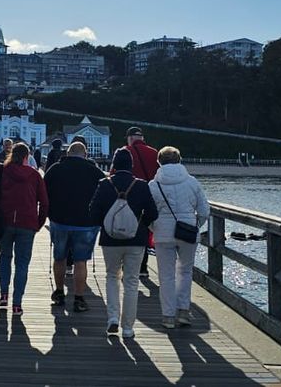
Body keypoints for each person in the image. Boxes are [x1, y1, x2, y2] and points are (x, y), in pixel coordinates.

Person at [89, 148, 158, 340]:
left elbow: (93, 213)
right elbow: (153, 213)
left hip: (110, 240)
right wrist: (140, 225)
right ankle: (128, 328)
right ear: (132, 165)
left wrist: (107, 221)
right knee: (131, 281)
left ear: (113, 165)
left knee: (112, 276)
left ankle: (112, 317)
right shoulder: (142, 186)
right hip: (136, 240)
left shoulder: (104, 184)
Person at [147, 146, 209, 329]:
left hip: (163, 234)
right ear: (179, 160)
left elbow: (148, 213)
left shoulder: (153, 185)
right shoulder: (192, 182)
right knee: (185, 271)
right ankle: (183, 311)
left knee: (166, 276)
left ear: (159, 162)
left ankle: (167, 316)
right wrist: (195, 225)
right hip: (188, 232)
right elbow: (204, 210)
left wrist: (155, 227)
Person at [0, 142, 47, 317]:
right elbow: (45, 202)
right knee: (22, 263)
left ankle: (3, 294)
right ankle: (17, 304)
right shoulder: (35, 175)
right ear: (27, 157)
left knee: (5, 256)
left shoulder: (1, 170)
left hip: (5, 222)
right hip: (27, 224)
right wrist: (38, 223)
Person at [42, 141, 102, 312]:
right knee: (80, 261)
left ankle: (59, 292)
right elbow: (103, 194)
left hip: (59, 221)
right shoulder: (95, 171)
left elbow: (44, 193)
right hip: (86, 223)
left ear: (67, 153)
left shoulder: (55, 169)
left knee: (59, 257)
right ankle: (79, 298)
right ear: (86, 154)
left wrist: (48, 213)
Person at [119, 126, 161, 276]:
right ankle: (143, 267)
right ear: (142, 138)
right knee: (144, 232)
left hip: (127, 199)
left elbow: (114, 175)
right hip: (149, 197)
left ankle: (127, 265)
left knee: (126, 232)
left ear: (130, 138)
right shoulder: (154, 153)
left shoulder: (124, 151)